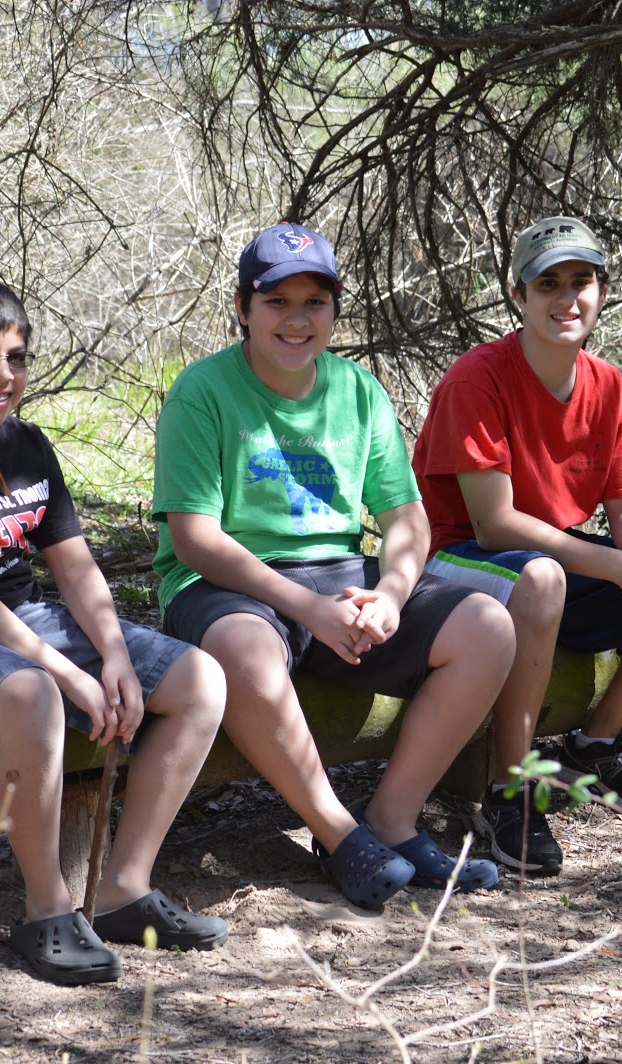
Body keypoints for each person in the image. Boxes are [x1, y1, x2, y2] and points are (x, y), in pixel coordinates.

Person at [0, 277, 228, 986]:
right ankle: (46, 909)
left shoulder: (26, 445)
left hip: (22, 617)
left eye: (17, 357)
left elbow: (77, 568)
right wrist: (66, 672)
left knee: (200, 679)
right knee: (34, 696)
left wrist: (112, 654)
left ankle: (123, 890)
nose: (3, 375)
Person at [152, 223, 516, 910]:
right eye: (276, 302)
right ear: (243, 308)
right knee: (244, 650)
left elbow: (407, 519)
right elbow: (195, 539)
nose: (297, 320)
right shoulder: (202, 392)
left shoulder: (357, 390)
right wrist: (307, 608)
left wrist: (393, 597)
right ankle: (340, 833)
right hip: (231, 583)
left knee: (487, 626)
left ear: (334, 310)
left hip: (341, 573)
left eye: (314, 302)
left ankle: (393, 822)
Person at [411, 216, 622, 875]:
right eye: (548, 282)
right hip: (457, 562)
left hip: (551, 560)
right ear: (518, 296)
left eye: (582, 281)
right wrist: (618, 567)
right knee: (542, 577)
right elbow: (494, 525)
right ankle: (510, 788)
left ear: (603, 292)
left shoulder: (605, 384)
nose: (567, 298)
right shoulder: (479, 379)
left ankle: (597, 741)